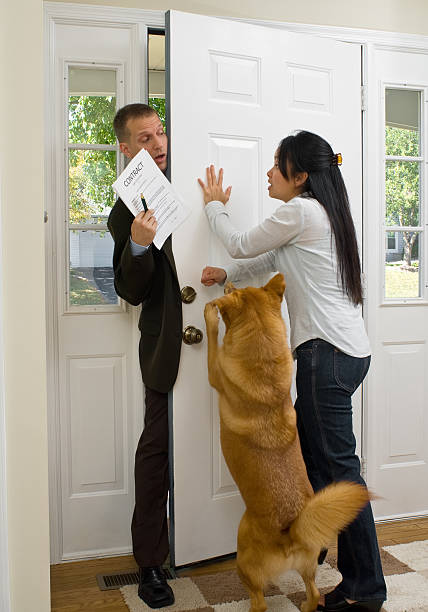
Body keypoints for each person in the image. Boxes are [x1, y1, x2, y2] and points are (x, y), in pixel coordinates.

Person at [198, 130, 387, 612]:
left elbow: (241, 244)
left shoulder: (301, 211)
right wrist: (227, 277)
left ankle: (365, 587)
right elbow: (270, 260)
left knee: (341, 474)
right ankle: (315, 548)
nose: (268, 172)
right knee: (318, 465)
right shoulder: (318, 215)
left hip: (326, 356)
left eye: (276, 164)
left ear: (299, 176)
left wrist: (214, 207)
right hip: (342, 353)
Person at [108, 103, 181, 609]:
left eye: (161, 133)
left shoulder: (196, 174)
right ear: (126, 148)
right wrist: (138, 246)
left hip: (222, 339)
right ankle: (150, 562)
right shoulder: (123, 210)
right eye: (145, 137)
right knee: (155, 451)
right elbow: (131, 292)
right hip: (166, 344)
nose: (158, 143)